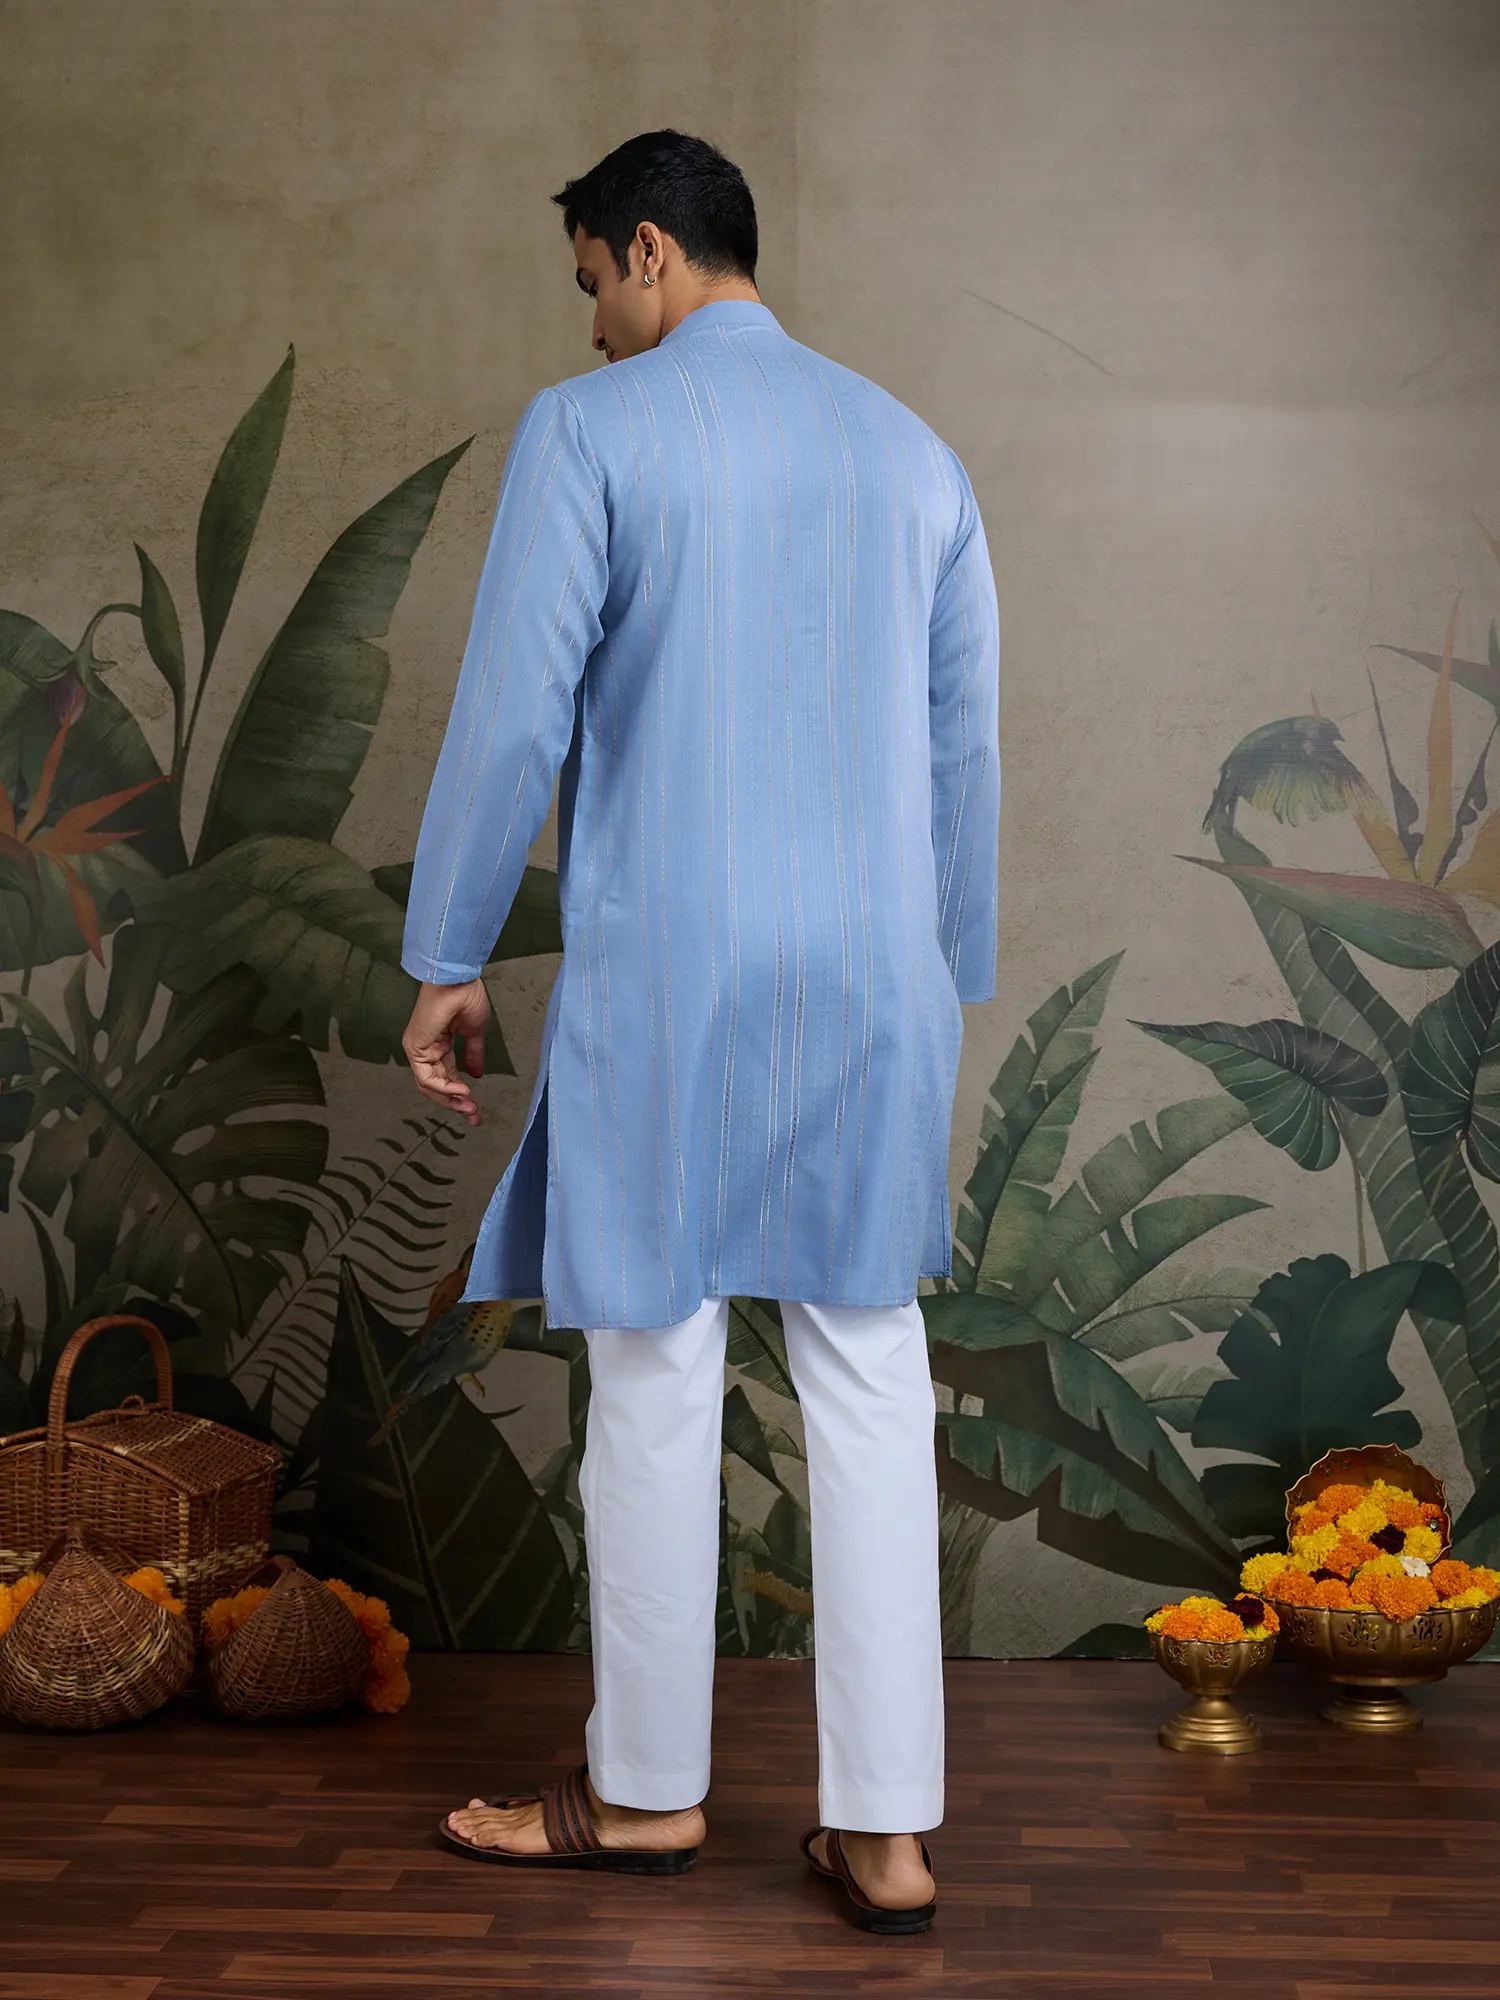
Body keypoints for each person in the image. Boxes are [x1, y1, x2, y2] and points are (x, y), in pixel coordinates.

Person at [399, 128, 1000, 1934]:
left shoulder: (592, 433)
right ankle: (887, 1837)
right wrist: (944, 968)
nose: (590, 323)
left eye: (594, 281)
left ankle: (650, 1797)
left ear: (650, 251)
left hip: (674, 967)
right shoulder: (915, 451)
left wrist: (449, 950)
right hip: (875, 974)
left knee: (654, 1366)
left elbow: (515, 706)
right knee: (871, 1372)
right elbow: (960, 748)